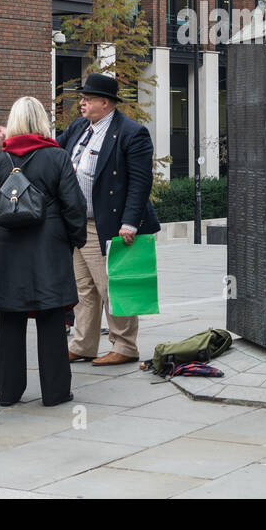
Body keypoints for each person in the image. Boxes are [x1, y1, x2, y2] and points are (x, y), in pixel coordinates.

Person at [0, 96, 86, 406]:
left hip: (9, 252)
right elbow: (74, 206)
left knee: (10, 322)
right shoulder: (57, 157)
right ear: (42, 121)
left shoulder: (0, 160)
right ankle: (55, 392)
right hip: (49, 251)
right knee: (51, 321)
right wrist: (73, 241)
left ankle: (8, 393)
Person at [59, 73, 161, 366]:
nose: (81, 103)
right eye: (82, 98)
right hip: (78, 223)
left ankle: (125, 345)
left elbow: (141, 182)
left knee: (111, 286)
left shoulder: (131, 132)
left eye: (87, 99)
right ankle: (83, 344)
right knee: (84, 289)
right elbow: (55, 149)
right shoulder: (80, 126)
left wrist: (129, 222)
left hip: (108, 225)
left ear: (105, 103)